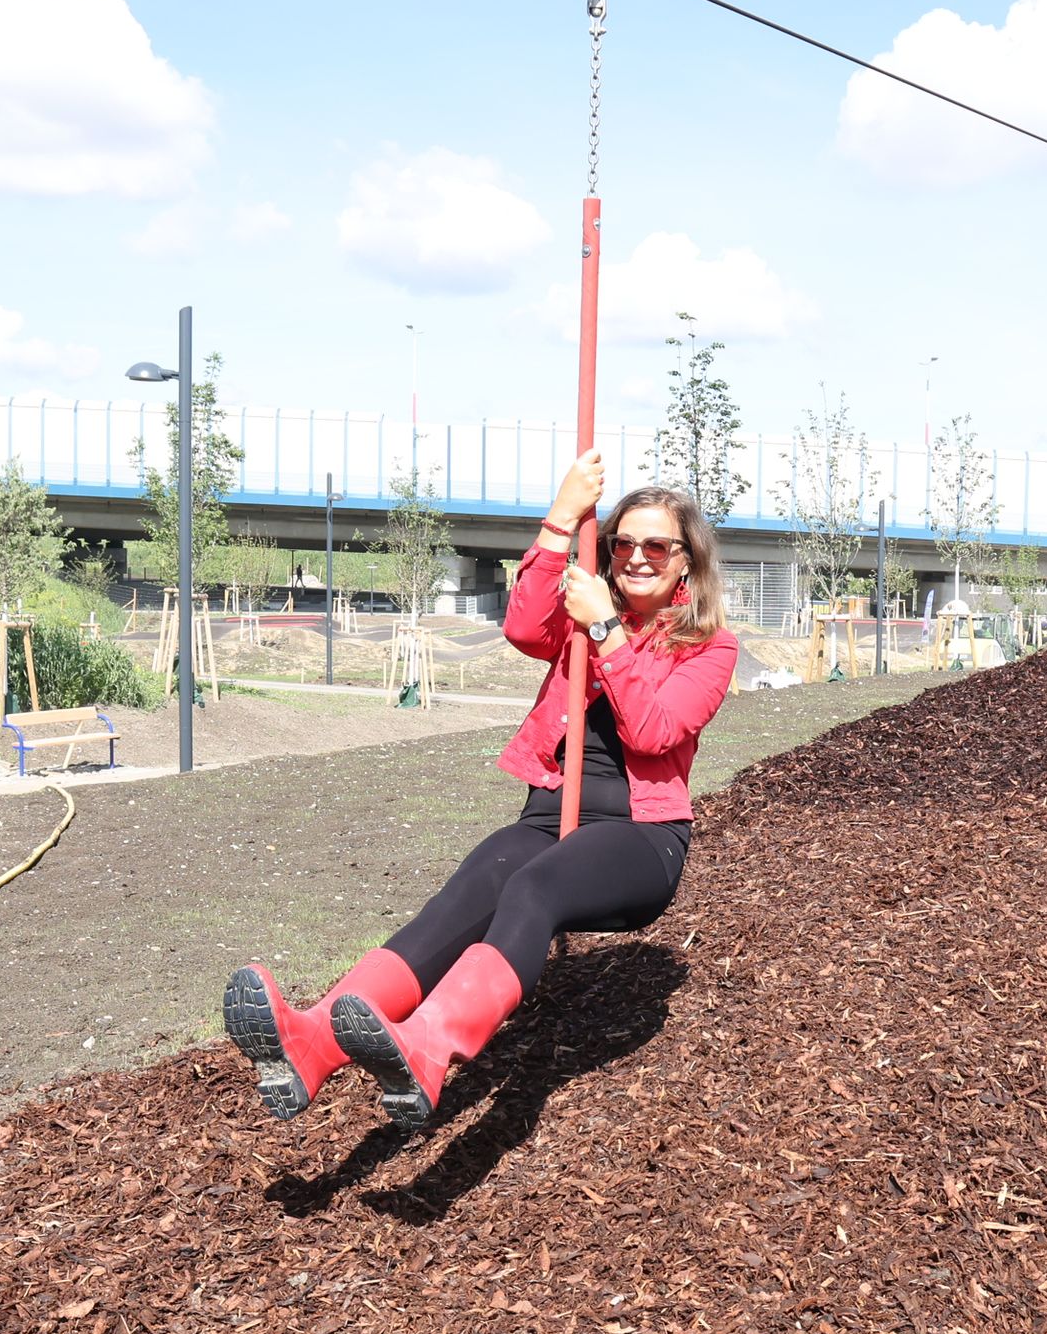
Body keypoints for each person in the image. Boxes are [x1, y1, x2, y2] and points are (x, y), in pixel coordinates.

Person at [224, 455, 736, 1128]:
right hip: (552, 814)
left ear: (686, 562)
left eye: (657, 545)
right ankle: (313, 1040)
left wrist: (608, 628)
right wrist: (560, 519)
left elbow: (652, 730)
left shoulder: (708, 646)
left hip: (641, 836)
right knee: (455, 905)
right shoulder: (580, 617)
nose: (637, 556)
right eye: (623, 543)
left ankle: (431, 1044)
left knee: (534, 889)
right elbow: (525, 626)